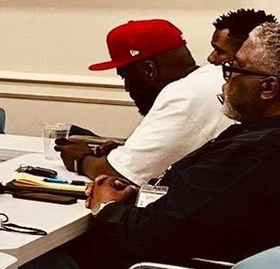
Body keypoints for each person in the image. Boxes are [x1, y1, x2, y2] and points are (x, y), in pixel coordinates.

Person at [10, 19, 280, 269]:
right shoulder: (254, 139)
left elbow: (150, 235)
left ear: (268, 88)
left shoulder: (250, 153)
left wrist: (108, 206)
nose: (223, 79)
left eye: (234, 69)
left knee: (13, 264)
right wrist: (138, 196)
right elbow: (195, 212)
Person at [60, 18, 241, 186]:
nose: (127, 88)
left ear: (149, 70)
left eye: (126, 77)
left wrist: (80, 160)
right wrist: (126, 151)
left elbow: (119, 175)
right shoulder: (214, 77)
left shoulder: (182, 97)